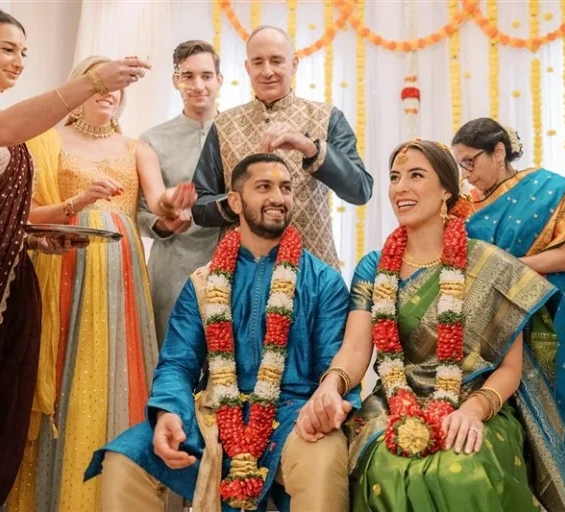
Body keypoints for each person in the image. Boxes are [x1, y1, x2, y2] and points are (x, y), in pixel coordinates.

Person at [296, 140, 565, 511]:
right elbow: (356, 349)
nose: (401, 188)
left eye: (416, 175)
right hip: (394, 400)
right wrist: (330, 386)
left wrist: (473, 411)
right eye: (395, 177)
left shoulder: (490, 263)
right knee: (384, 466)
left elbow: (511, 369)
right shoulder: (374, 266)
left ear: (446, 188)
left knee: (461, 471)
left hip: (474, 400)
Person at [85, 153, 359, 512]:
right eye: (264, 187)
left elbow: (333, 364)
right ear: (234, 201)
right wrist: (169, 412)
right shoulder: (204, 282)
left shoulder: (323, 281)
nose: (278, 197)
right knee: (127, 459)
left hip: (296, 414)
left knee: (322, 461)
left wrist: (326, 405)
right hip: (212, 415)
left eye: (286, 188)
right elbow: (177, 365)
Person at [0, 7, 148, 511]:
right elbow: (7, 126)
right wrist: (92, 80)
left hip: (8, 288)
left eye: (25, 52)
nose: (19, 61)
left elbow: (16, 214)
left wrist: (50, 227)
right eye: (8, 48)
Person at [5, 55, 196, 511]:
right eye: (99, 86)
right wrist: (79, 200)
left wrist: (174, 204)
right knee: (62, 368)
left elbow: (158, 204)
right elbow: (27, 212)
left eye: (114, 88)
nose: (108, 94)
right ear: (80, 91)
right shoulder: (47, 141)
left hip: (119, 274)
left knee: (116, 369)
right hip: (64, 265)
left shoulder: (136, 148)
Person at [451, 118, 565, 492]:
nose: (466, 173)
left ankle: (552, 494)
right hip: (488, 328)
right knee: (495, 415)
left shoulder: (552, 188)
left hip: (549, 322)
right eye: (461, 165)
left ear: (500, 151)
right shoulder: (463, 206)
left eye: (471, 161)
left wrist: (504, 269)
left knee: (551, 412)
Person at [191, 25, 373, 268]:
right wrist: (240, 203)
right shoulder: (224, 125)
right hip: (241, 273)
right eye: (258, 62)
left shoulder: (327, 117)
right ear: (247, 68)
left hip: (314, 272)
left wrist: (311, 149)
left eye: (276, 61)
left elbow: (360, 189)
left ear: (294, 64)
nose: (267, 71)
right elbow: (200, 206)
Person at [138, 40, 222, 345]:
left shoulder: (236, 131)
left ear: (219, 80)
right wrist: (164, 223)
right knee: (171, 361)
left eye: (206, 75)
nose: (198, 85)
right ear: (176, 81)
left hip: (228, 264)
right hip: (172, 268)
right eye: (188, 76)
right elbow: (139, 212)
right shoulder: (152, 139)